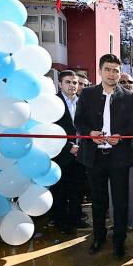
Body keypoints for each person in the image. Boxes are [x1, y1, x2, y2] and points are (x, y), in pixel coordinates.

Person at [74, 54, 133, 260]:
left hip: (119, 157)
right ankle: (98, 238)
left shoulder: (129, 96)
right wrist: (89, 133)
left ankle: (119, 241)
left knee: (120, 202)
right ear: (100, 70)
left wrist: (122, 136)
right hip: (94, 157)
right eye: (108, 69)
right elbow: (79, 122)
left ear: (120, 73)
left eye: (116, 70)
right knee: (98, 201)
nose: (112, 74)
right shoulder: (87, 94)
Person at [49, 70, 86, 234]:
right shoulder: (52, 102)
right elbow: (51, 130)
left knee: (77, 188)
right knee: (61, 189)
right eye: (68, 82)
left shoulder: (82, 102)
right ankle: (61, 222)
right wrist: (69, 146)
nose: (72, 85)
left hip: (81, 153)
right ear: (60, 84)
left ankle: (76, 219)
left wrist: (82, 147)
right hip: (61, 153)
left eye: (75, 82)